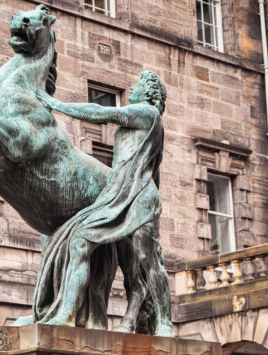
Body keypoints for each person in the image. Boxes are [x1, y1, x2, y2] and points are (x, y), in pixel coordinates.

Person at [32, 71, 174, 336]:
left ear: (148, 95)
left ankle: (164, 322)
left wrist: (57, 105)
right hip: (117, 195)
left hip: (139, 197)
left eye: (137, 85)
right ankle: (66, 314)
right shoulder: (141, 122)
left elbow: (101, 112)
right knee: (79, 241)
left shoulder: (147, 113)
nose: (132, 88)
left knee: (147, 259)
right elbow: (155, 169)